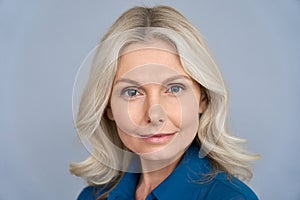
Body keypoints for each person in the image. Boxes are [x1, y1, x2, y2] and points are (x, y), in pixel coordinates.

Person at [70, 5, 260, 200]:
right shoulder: (92, 197)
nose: (154, 115)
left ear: (203, 99)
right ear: (108, 106)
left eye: (174, 89)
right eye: (132, 92)